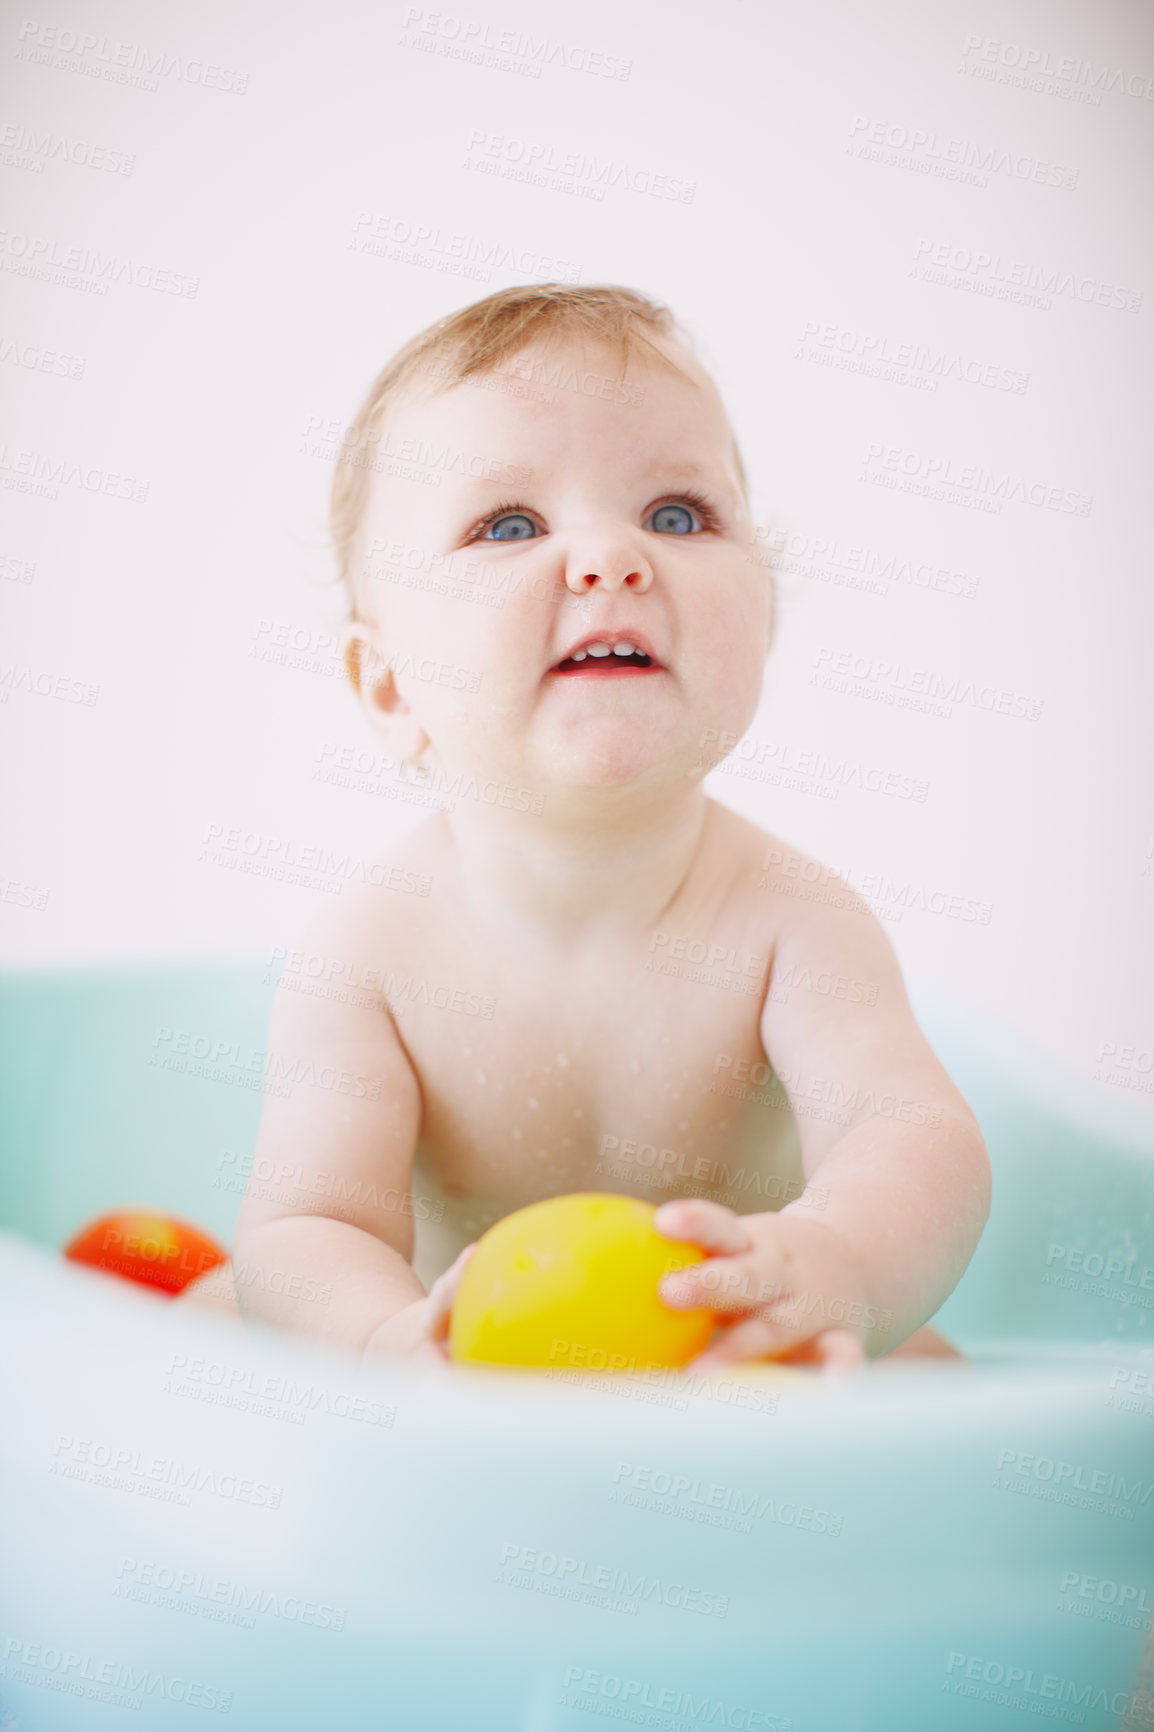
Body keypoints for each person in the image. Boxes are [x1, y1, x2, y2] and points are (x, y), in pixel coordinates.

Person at [192, 283, 988, 1374]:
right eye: (508, 525)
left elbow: (911, 1137)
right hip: (468, 1373)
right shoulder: (368, 954)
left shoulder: (793, 924)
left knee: (921, 1367)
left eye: (675, 514)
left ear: (763, 614)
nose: (611, 558)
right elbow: (308, 1227)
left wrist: (833, 1263)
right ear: (387, 687)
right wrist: (385, 1341)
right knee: (209, 1306)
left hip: (720, 1356)